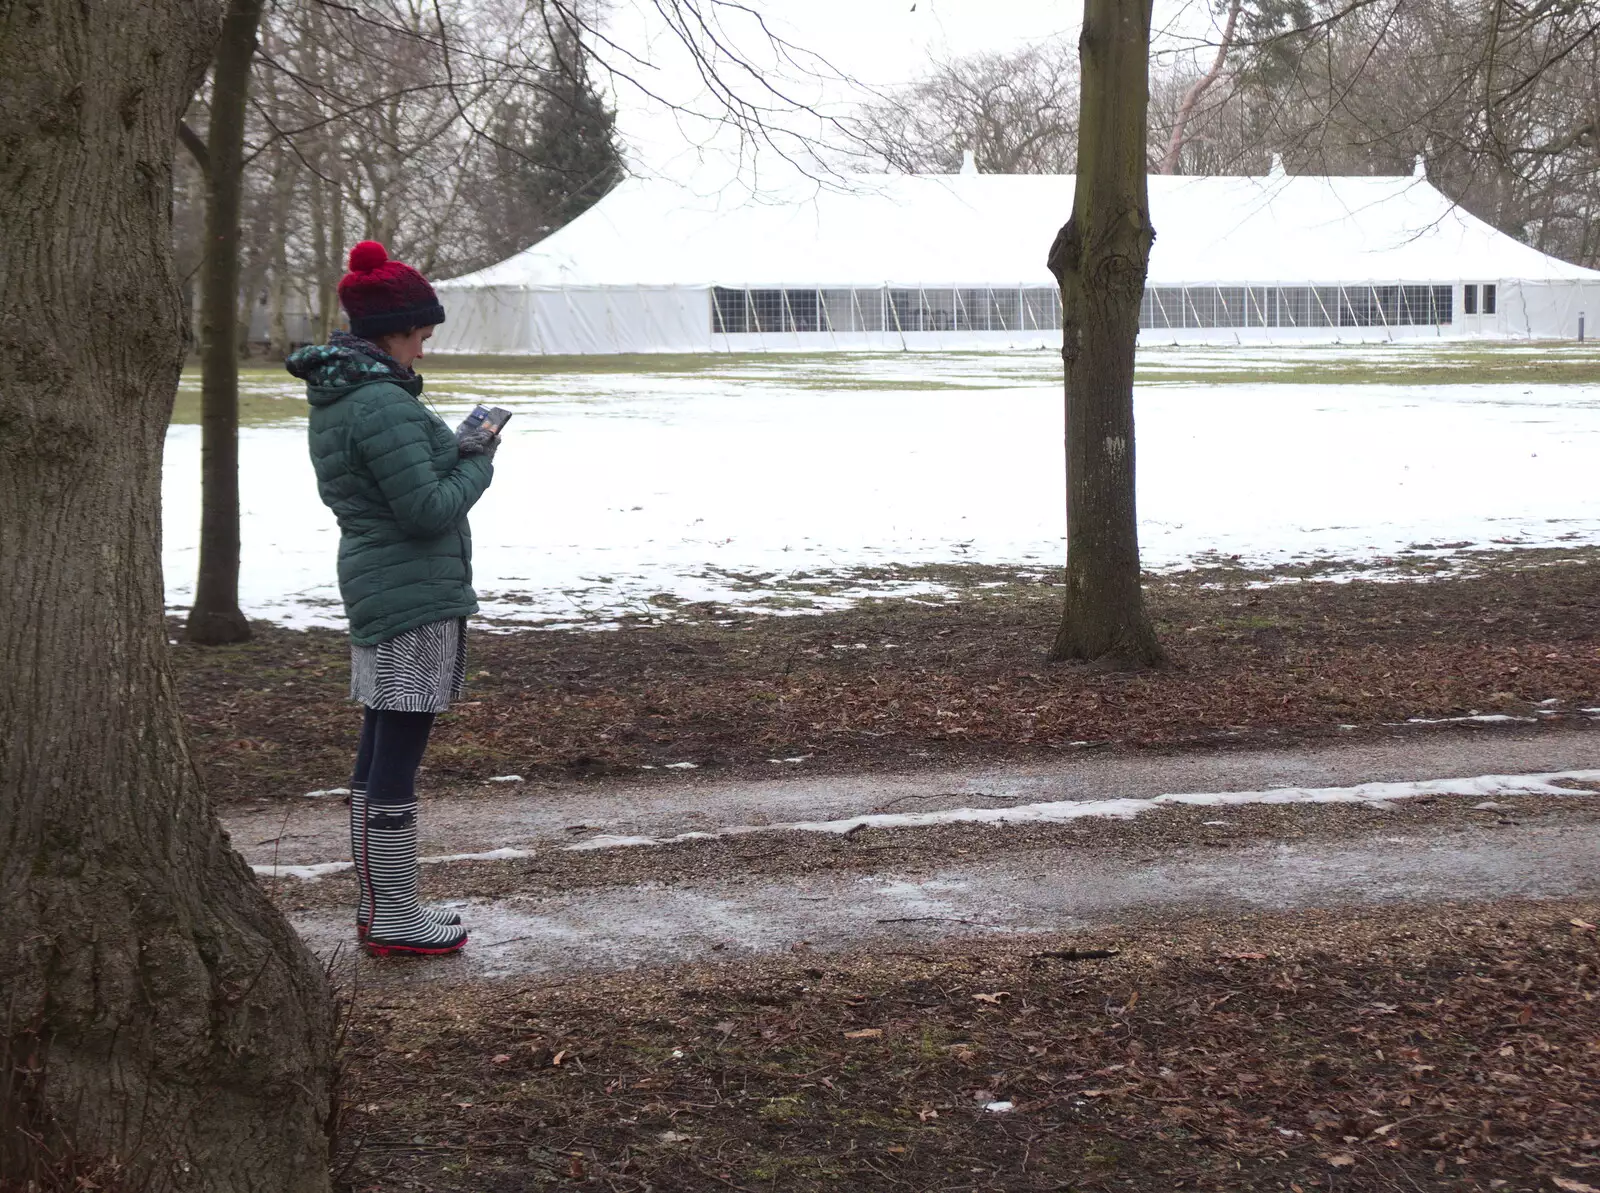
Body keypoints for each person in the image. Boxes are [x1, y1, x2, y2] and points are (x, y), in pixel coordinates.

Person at [286, 240, 501, 957]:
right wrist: (481, 462)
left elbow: (402, 482)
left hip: (383, 583)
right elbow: (426, 508)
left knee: (381, 743)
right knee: (396, 752)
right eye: (420, 337)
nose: (424, 352)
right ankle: (392, 914)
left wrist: (455, 448)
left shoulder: (353, 396)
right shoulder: (380, 402)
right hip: (410, 592)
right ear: (393, 333)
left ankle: (384, 905)